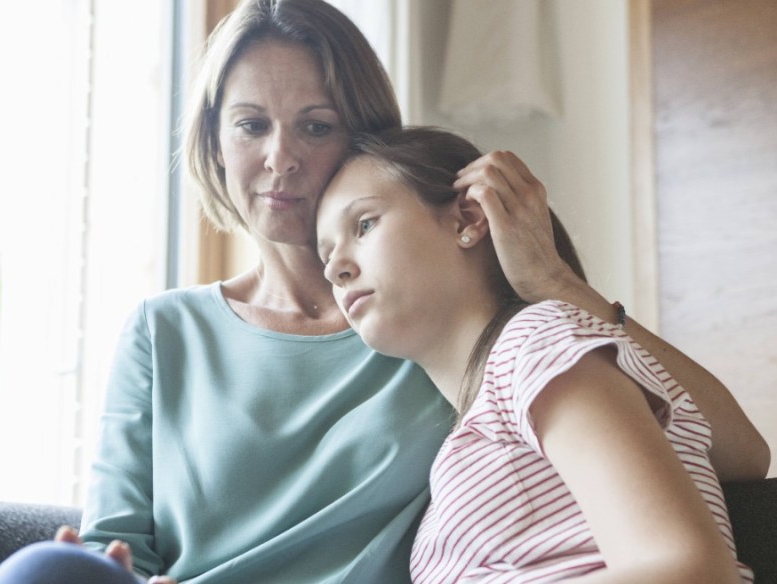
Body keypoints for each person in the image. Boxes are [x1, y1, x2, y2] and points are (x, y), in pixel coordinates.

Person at [0, 0, 767, 584]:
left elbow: (731, 447)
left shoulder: (433, 326)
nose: (282, 158)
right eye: (251, 125)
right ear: (217, 143)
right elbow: (123, 547)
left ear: (361, 139)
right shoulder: (165, 332)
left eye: (315, 125)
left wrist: (555, 283)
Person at [316, 126, 755, 583]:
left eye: (363, 225)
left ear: (466, 218)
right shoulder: (498, 402)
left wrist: (555, 282)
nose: (336, 268)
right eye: (325, 254)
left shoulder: (535, 345)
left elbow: (691, 570)